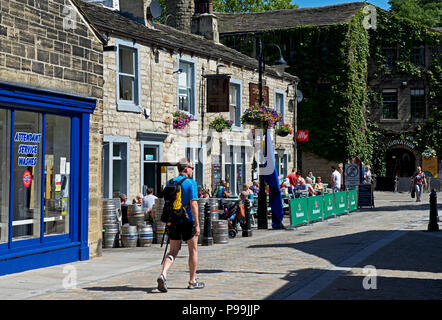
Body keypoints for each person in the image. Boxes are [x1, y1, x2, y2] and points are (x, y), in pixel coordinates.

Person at [157, 158, 204, 292]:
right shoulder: (191, 183)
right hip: (187, 221)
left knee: (172, 251)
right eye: (192, 168)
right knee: (193, 250)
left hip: (173, 221)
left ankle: (163, 274)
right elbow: (194, 204)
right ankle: (192, 281)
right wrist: (197, 224)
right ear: (186, 168)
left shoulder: (170, 182)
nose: (192, 170)